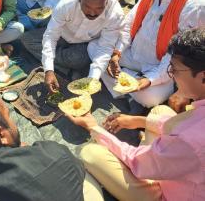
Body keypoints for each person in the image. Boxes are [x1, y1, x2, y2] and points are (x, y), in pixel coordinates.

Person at [67, 28, 205, 201]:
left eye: (175, 70)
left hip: (168, 193)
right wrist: (138, 121)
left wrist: (93, 127)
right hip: (180, 167)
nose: (172, 74)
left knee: (90, 154)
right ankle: (153, 150)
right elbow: (186, 124)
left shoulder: (189, 141)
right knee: (160, 111)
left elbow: (136, 161)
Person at [104, 0, 205, 110]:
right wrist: (117, 53)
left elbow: (179, 55)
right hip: (134, 55)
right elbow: (130, 24)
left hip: (162, 67)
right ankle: (130, 86)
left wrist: (150, 80)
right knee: (96, 50)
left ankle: (132, 88)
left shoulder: (196, 5)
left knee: (149, 98)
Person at [20, 0, 124, 89]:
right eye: (87, 7)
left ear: (107, 0)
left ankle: (68, 65)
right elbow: (50, 37)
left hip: (84, 45)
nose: (92, 13)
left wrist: (92, 80)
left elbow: (104, 48)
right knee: (26, 40)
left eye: (99, 8)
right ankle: (66, 68)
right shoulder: (65, 4)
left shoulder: (115, 14)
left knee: (78, 59)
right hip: (62, 36)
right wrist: (48, 70)